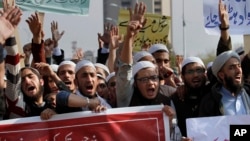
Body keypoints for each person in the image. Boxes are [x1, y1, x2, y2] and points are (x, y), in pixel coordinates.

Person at [199, 50, 250, 116]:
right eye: (232, 68)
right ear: (221, 75)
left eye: (239, 66)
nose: (238, 71)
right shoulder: (209, 102)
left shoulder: (248, 92)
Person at [171, 56, 208, 137]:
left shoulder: (212, 94)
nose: (195, 75)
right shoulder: (176, 99)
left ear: (205, 74)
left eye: (199, 70)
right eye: (190, 72)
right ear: (182, 77)